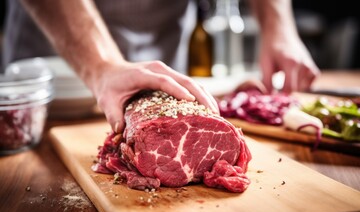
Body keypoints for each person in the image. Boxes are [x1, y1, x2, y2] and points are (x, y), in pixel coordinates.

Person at [2, 0, 319, 133]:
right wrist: (101, 65)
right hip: (55, 68)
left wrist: (279, 25)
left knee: (170, 132)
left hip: (161, 62)